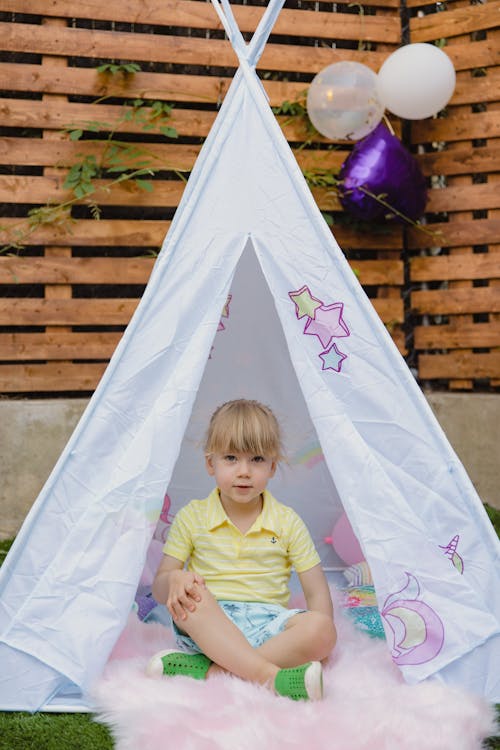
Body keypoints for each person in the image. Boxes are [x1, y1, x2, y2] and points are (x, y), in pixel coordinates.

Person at [146, 399, 336, 700]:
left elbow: (316, 594)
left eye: (257, 459)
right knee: (192, 594)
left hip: (269, 625)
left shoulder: (287, 522)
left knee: (323, 629)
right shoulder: (193, 517)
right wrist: (175, 580)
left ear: (273, 465)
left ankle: (211, 672)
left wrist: (320, 644)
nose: (244, 471)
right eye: (231, 458)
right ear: (211, 463)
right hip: (208, 623)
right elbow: (160, 588)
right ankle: (270, 677)